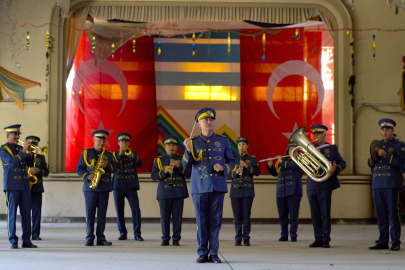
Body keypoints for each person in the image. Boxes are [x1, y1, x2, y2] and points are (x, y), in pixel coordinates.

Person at [182, 108, 235, 263]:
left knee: (215, 222)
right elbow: (185, 166)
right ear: (199, 124)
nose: (209, 121)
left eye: (211, 119)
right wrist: (187, 151)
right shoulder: (192, 142)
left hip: (217, 186)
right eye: (205, 120)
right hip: (199, 187)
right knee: (201, 221)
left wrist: (224, 168)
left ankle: (214, 253)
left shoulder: (223, 140)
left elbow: (231, 161)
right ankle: (202, 252)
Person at [368, 118, 405, 251]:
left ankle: (395, 241)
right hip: (377, 184)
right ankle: (383, 241)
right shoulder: (377, 144)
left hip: (391, 183)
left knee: (393, 214)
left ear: (392, 130)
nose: (384, 132)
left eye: (387, 130)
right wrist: (374, 156)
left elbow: (401, 163)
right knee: (381, 214)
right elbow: (370, 164)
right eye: (383, 130)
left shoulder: (399, 145)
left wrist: (385, 155)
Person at [307, 124, 346, 248]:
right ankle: (317, 238)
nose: (316, 136)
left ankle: (326, 239)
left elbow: (342, 162)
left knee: (324, 212)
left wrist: (336, 168)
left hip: (325, 184)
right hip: (312, 184)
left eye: (318, 134)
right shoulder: (309, 148)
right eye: (314, 134)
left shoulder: (332, 148)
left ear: (325, 135)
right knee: (314, 214)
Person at [76, 130, 117, 246]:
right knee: (90, 214)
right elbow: (79, 169)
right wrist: (87, 176)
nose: (101, 143)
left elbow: (115, 168)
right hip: (90, 188)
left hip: (104, 187)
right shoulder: (85, 153)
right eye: (99, 140)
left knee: (102, 214)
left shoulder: (109, 155)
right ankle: (89, 237)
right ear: (93, 140)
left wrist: (107, 166)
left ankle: (100, 238)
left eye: (103, 141)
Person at [1, 124, 37, 249]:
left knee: (26, 214)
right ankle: (13, 241)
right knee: (12, 214)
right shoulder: (4, 149)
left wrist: (32, 154)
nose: (17, 137)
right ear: (8, 135)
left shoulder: (21, 148)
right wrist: (23, 151)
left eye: (18, 134)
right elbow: (11, 163)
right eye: (15, 134)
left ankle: (27, 240)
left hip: (24, 185)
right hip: (12, 186)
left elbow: (29, 164)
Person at [151, 135, 191, 246]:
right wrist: (164, 172)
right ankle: (165, 238)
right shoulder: (158, 160)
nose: (171, 147)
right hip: (164, 192)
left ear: (176, 147)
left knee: (177, 217)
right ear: (165, 147)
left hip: (178, 192)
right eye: (169, 145)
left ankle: (176, 238)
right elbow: (153, 176)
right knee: (164, 217)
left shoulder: (183, 159)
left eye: (173, 145)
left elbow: (189, 174)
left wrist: (179, 167)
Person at [267, 142, 303, 242]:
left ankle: (293, 234)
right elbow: (276, 174)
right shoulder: (282, 161)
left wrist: (281, 161)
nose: (292, 151)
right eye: (291, 149)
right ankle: (284, 234)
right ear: (287, 150)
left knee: (293, 215)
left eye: (294, 149)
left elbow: (292, 166)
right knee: (282, 215)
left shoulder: (300, 160)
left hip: (294, 190)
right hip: (281, 191)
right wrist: (271, 166)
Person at [227, 136, 260, 246]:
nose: (242, 147)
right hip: (235, 190)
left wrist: (247, 167)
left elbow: (257, 172)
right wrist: (235, 173)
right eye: (240, 145)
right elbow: (227, 175)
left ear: (247, 146)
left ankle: (246, 238)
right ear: (237, 146)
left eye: (244, 145)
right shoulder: (232, 158)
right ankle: (237, 237)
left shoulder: (252, 158)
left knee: (246, 215)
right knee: (237, 216)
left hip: (247, 190)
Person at [112, 133, 143, 241]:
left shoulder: (133, 153)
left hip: (131, 185)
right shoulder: (114, 154)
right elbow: (112, 166)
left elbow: (140, 164)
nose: (124, 143)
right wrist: (120, 154)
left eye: (126, 141)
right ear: (118, 143)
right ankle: (122, 233)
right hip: (118, 186)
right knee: (119, 210)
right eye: (121, 141)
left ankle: (137, 233)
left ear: (129, 143)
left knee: (135, 210)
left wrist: (134, 158)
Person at [26, 136, 49, 241]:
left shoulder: (40, 158)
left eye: (35, 145)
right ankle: (26, 233)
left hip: (37, 187)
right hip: (26, 188)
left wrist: (39, 170)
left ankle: (35, 234)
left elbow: (47, 172)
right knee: (25, 212)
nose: (33, 147)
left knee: (37, 212)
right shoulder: (23, 156)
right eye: (31, 145)